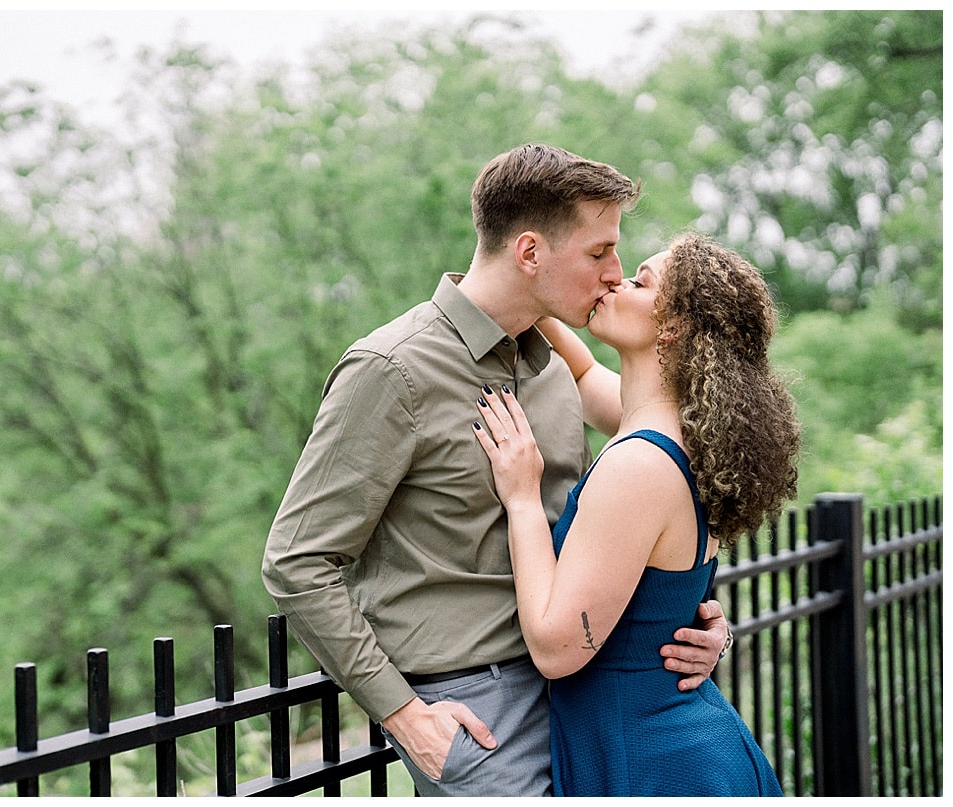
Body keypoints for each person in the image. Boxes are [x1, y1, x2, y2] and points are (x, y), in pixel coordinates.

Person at [261, 145, 731, 797]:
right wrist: (404, 715)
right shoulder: (392, 370)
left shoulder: (554, 369)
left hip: (581, 699)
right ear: (530, 253)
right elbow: (296, 559)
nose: (614, 274)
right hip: (480, 717)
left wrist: (690, 616)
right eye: (599, 253)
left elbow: (639, 512)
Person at [472, 232, 799, 796]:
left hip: (654, 766)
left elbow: (555, 648)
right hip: (676, 745)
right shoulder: (680, 435)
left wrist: (523, 499)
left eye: (640, 282)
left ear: (672, 327)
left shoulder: (640, 466)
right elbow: (580, 375)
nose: (615, 280)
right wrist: (526, 284)